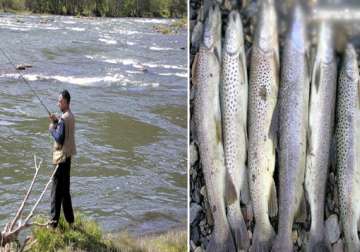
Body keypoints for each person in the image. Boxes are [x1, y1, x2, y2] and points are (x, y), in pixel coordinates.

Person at [48, 89, 76, 228]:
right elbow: (64, 127)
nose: (58, 103)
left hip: (61, 159)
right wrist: (57, 120)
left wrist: (52, 127)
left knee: (55, 192)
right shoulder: (70, 116)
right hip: (68, 158)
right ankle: (70, 221)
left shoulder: (63, 119)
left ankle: (53, 224)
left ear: (66, 102)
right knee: (65, 191)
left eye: (60, 101)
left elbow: (59, 137)